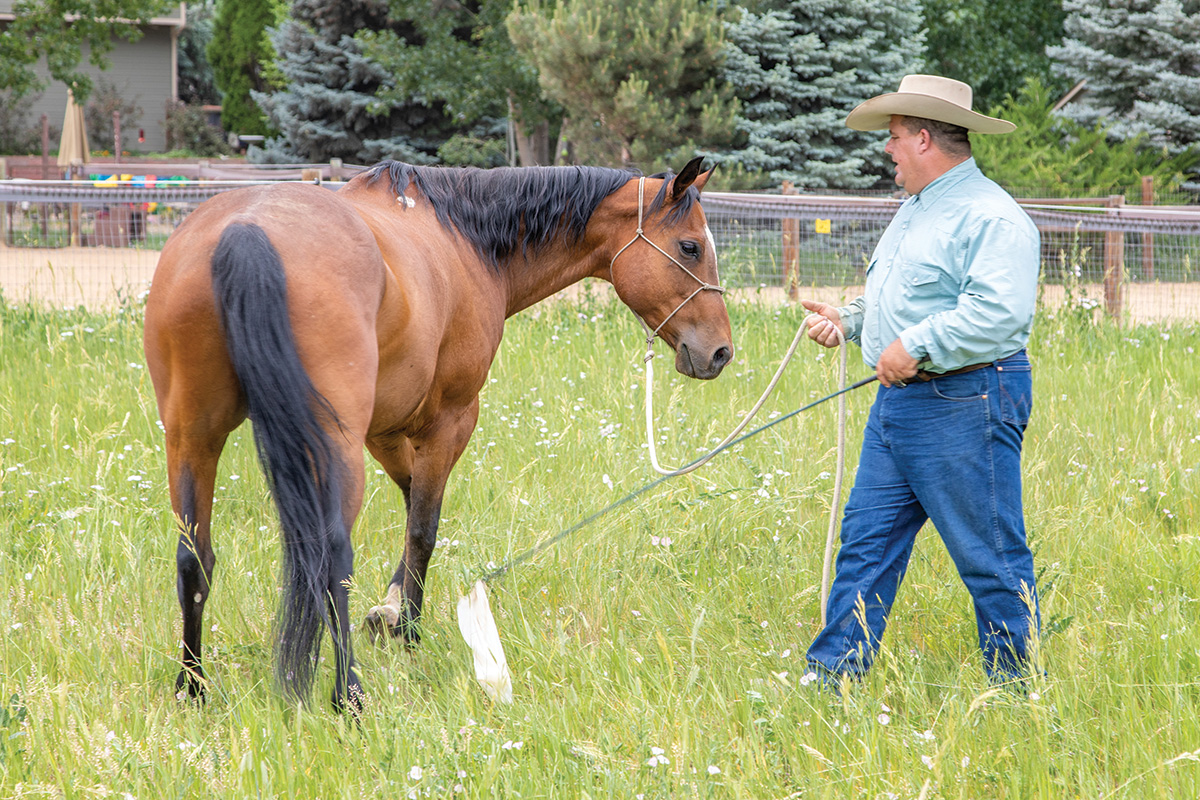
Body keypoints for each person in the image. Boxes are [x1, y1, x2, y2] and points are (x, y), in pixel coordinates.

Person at [801, 74, 1041, 687]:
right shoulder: (916, 210)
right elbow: (908, 298)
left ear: (926, 139)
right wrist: (851, 322)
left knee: (988, 558)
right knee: (864, 547)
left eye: (895, 137)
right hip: (899, 405)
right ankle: (833, 680)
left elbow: (999, 313)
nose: (888, 150)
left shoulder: (993, 217)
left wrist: (919, 345)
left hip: (967, 399)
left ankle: (1018, 694)